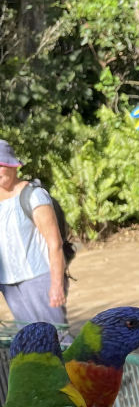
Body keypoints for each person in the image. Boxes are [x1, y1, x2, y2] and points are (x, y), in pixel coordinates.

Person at [0, 139, 69, 332]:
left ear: (13, 166)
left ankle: (70, 364)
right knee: (32, 337)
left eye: (1, 165)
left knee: (56, 336)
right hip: (8, 284)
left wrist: (56, 286)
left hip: (39, 280)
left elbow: (54, 243)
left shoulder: (34, 195)